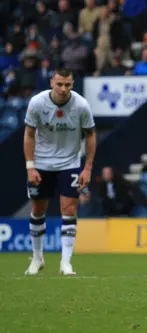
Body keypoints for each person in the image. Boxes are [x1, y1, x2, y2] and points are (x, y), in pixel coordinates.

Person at [24, 68, 96, 276]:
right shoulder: (37, 103)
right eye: (59, 84)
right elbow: (28, 135)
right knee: (38, 210)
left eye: (68, 85)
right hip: (41, 163)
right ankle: (37, 258)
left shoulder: (81, 105)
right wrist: (30, 166)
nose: (63, 89)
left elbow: (90, 135)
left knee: (69, 210)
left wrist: (88, 167)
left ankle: (66, 263)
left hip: (69, 163)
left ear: (73, 84)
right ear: (51, 83)